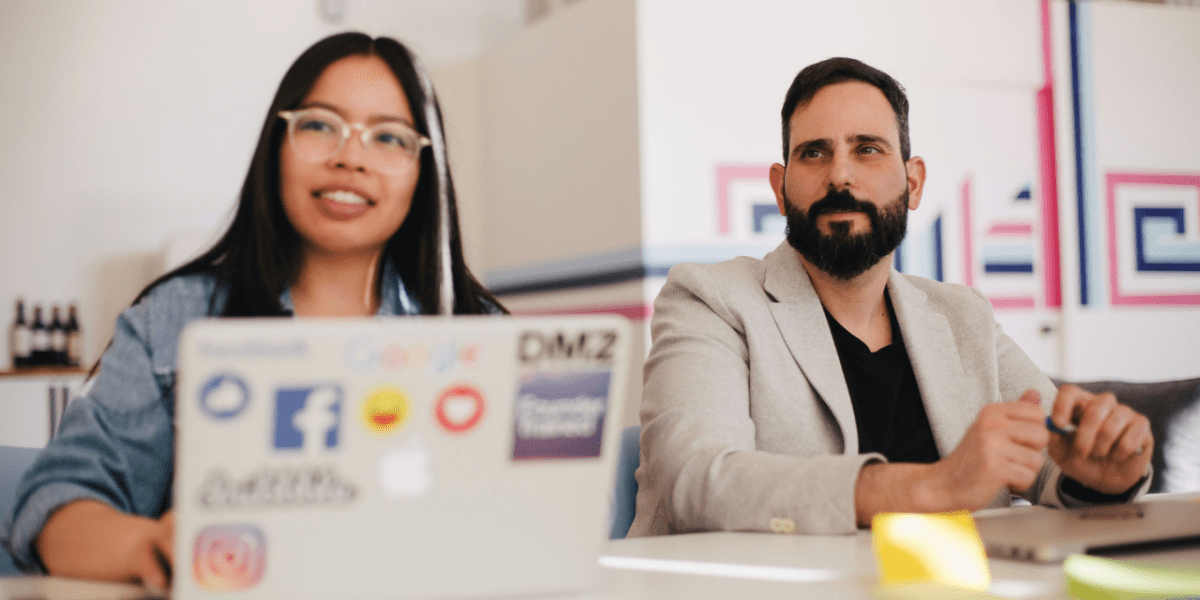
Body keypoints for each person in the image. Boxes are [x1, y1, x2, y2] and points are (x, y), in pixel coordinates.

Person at [2, 32, 504, 589]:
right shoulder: (174, 319)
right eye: (318, 124)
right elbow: (57, 502)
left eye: (389, 137)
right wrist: (150, 544)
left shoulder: (481, 332)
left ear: (423, 171)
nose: (350, 157)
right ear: (277, 146)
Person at [628, 57, 1152, 537]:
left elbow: (1051, 460)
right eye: (814, 153)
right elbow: (698, 482)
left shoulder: (961, 315)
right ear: (781, 188)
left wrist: (1100, 472)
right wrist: (934, 488)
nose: (840, 175)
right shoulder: (710, 299)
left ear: (914, 182)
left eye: (868, 149)